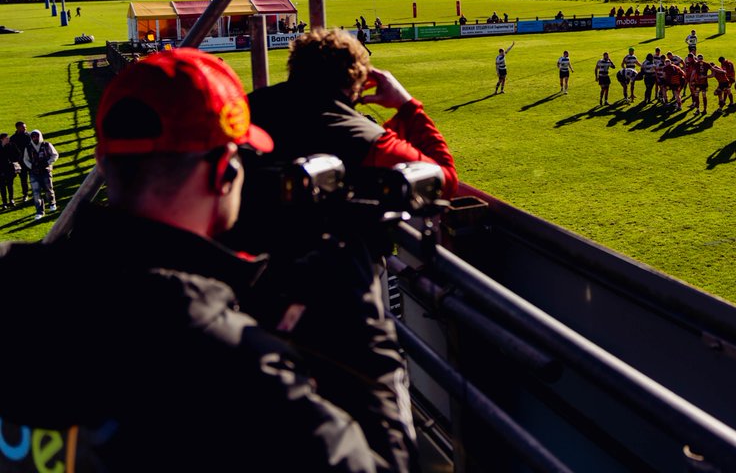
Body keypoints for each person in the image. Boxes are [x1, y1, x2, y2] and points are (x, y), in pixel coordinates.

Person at [0, 49, 415, 472]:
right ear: (225, 174)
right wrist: (364, 335)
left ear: (104, 162)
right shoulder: (243, 372)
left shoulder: (13, 281)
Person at [248, 29, 457, 198]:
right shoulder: (366, 139)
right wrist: (407, 106)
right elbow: (445, 181)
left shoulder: (246, 107)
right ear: (359, 82)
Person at [23, 129, 58, 218]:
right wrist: (31, 166)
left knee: (48, 189)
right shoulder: (28, 147)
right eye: (33, 136)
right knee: (36, 193)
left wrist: (49, 162)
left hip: (46, 171)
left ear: (40, 136)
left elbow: (55, 154)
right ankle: (39, 211)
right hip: (34, 173)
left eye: (37, 136)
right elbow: (25, 159)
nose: (35, 138)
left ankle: (52, 203)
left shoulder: (46, 145)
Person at [10, 121, 31, 204]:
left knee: (35, 178)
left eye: (25, 127)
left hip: (31, 161)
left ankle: (36, 193)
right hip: (21, 162)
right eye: (23, 127)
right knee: (23, 179)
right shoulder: (13, 139)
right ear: (18, 128)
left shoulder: (30, 136)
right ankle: (25, 194)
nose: (25, 128)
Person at [0, 133, 17, 209]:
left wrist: (13, 159)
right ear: (2, 139)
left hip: (9, 169)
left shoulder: (11, 145)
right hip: (1, 170)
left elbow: (18, 154)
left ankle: (11, 199)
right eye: (6, 138)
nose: (8, 139)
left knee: (10, 185)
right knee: (2, 187)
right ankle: (4, 202)